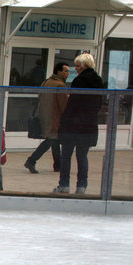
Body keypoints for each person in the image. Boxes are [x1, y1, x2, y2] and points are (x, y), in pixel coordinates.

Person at [54, 53, 103, 194]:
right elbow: (98, 104)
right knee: (82, 156)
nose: (76, 68)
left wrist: (64, 120)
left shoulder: (79, 81)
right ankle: (82, 186)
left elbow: (73, 104)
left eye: (77, 65)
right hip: (89, 125)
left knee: (66, 155)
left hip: (73, 125)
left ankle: (64, 185)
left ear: (85, 65)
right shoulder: (98, 81)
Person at [24, 62, 69, 174]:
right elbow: (63, 105)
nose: (68, 73)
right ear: (59, 72)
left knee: (55, 140)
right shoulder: (60, 85)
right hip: (54, 117)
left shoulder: (46, 82)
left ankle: (58, 165)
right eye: (66, 71)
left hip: (44, 115)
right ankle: (31, 160)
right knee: (50, 140)